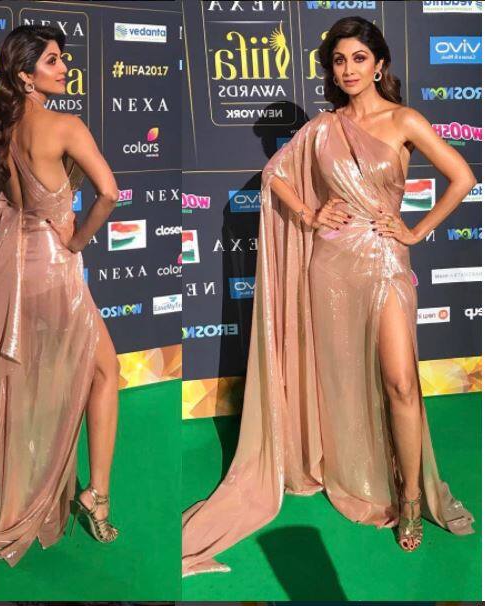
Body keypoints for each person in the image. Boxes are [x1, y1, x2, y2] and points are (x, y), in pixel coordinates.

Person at [182, 16, 476, 577]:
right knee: (341, 380)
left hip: (385, 261)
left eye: (359, 58)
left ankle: (410, 497)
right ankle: (352, 468)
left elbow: (462, 176)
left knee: (400, 381)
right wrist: (309, 213)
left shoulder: (404, 119)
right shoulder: (321, 128)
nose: (348, 69)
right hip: (331, 267)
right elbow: (275, 175)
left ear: (379, 64)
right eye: (339, 60)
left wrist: (417, 230)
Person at [0, 25, 121, 566]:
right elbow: (109, 192)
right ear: (25, 75)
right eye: (53, 61)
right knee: (104, 373)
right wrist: (78, 240)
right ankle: (96, 496)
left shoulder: (5, 130)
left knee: (28, 380)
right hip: (56, 269)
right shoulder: (65, 125)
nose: (64, 68)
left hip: (15, 268)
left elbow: (18, 202)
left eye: (63, 59)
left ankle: (18, 490)